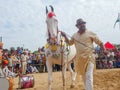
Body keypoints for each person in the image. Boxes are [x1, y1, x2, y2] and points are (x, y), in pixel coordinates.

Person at [61, 18, 107, 90]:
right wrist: (65, 36)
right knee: (84, 77)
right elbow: (69, 43)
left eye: (83, 23)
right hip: (80, 60)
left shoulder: (90, 33)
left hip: (89, 58)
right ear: (77, 26)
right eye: (80, 24)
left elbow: (100, 42)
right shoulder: (74, 35)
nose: (83, 25)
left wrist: (104, 49)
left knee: (88, 76)